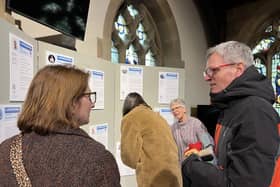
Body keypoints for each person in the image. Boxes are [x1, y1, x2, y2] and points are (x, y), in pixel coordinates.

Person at [0, 65, 121, 186]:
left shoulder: (5, 150)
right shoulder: (97, 159)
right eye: (88, 96)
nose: (92, 104)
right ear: (73, 103)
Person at [182, 41, 280, 187]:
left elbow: (244, 184)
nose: (207, 78)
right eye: (207, 72)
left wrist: (193, 168)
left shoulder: (255, 111)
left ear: (238, 69)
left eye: (214, 70)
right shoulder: (232, 108)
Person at [120, 92, 182, 187]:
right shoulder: (158, 117)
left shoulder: (130, 118)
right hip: (174, 176)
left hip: (153, 178)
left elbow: (129, 158)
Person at [170, 98, 215, 164]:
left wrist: (199, 154)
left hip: (197, 166)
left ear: (184, 109)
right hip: (182, 167)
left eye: (177, 108)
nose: (174, 111)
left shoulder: (196, 123)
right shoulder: (173, 128)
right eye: (172, 109)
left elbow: (208, 145)